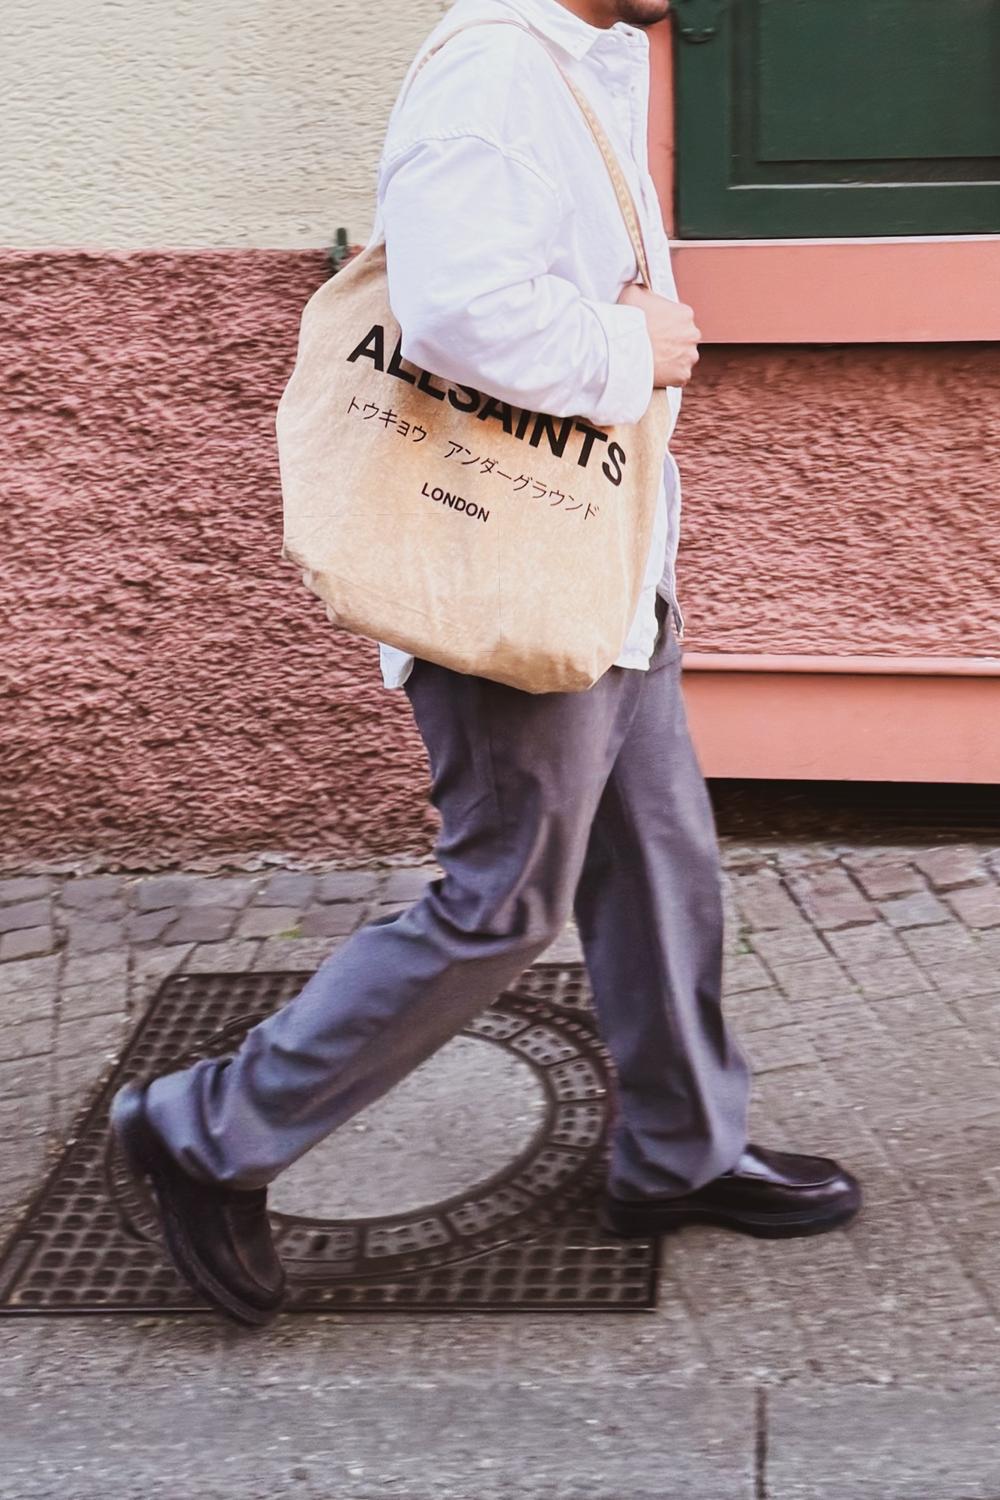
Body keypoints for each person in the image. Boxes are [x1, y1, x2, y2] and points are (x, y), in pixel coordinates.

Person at [110, 0, 861, 1328]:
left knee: (660, 857)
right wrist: (640, 348)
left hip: (599, 562)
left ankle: (676, 1150)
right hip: (512, 575)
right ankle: (210, 1127)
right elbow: (460, 317)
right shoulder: (494, 73)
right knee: (503, 898)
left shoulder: (591, 58)